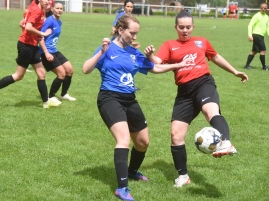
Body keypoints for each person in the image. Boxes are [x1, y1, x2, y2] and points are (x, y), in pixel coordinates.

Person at [82, 14, 190, 201]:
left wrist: (178, 65)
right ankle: (122, 188)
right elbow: (86, 69)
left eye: (136, 34)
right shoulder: (107, 48)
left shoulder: (133, 52)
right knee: (123, 139)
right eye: (132, 33)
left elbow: (154, 68)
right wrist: (101, 51)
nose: (134, 37)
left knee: (142, 142)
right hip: (109, 98)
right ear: (121, 30)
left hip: (130, 99)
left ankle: (132, 171)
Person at [146, 11, 248, 188]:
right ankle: (183, 176)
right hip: (184, 92)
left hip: (203, 83)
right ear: (176, 27)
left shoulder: (201, 41)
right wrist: (149, 55)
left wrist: (234, 71)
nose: (185, 30)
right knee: (176, 134)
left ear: (193, 26)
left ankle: (226, 142)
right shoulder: (170, 45)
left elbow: (215, 56)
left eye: (188, 27)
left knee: (210, 111)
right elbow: (157, 61)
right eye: (181, 27)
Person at [0, 0, 62, 108]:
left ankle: (45, 102)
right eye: (46, 0)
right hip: (26, 46)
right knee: (18, 76)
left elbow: (22, 23)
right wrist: (42, 33)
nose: (48, 2)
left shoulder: (36, 7)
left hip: (33, 46)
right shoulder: (36, 10)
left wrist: (34, 33)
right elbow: (28, 27)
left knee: (41, 73)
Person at [38, 1, 76, 101]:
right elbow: (40, 37)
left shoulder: (59, 22)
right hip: (46, 52)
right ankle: (50, 96)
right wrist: (46, 53)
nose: (59, 10)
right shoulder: (49, 21)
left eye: (61, 9)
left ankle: (63, 94)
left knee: (70, 70)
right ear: (52, 9)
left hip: (54, 51)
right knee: (61, 74)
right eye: (57, 8)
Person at [244, 3, 269, 70]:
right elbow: (250, 25)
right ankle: (264, 67)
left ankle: (247, 65)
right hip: (257, 35)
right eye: (262, 8)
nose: (263, 9)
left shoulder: (267, 17)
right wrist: (250, 35)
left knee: (254, 51)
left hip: (261, 36)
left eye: (265, 8)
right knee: (263, 50)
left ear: (267, 9)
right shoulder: (257, 16)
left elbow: (267, 27)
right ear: (260, 8)